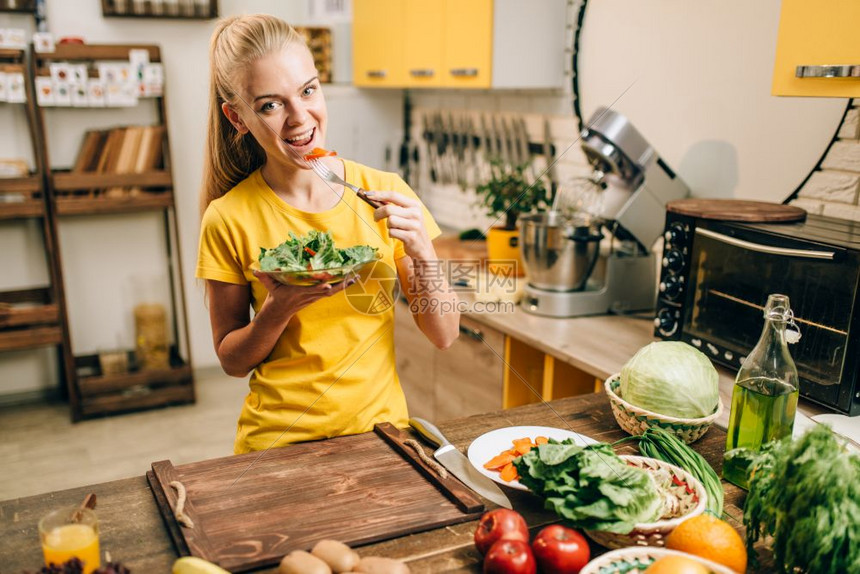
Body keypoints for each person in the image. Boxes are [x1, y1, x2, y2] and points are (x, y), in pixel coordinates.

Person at [196, 14, 460, 454]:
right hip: (277, 444)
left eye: (308, 90)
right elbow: (231, 360)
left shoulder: (386, 193)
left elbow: (444, 335)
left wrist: (424, 255)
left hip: (383, 438)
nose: (300, 118)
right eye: (269, 104)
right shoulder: (228, 217)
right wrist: (277, 310)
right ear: (237, 117)